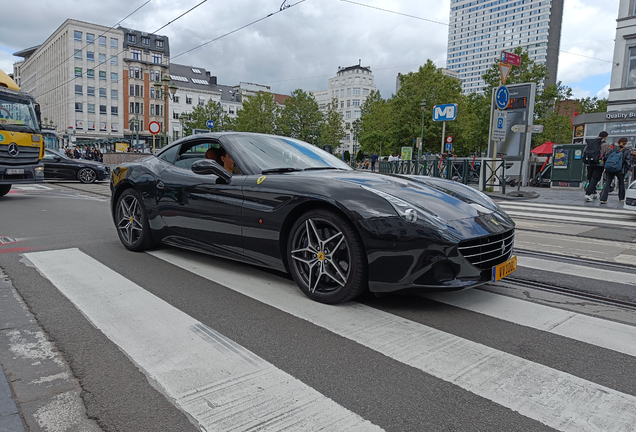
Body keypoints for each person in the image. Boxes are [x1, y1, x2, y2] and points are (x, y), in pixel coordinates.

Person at [599, 138, 633, 204]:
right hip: (620, 169)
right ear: (625, 143)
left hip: (610, 168)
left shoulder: (613, 150)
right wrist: (629, 169)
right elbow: (628, 161)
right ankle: (621, 198)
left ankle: (603, 198)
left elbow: (606, 157)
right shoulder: (626, 151)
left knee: (608, 183)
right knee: (621, 183)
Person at [583, 131, 608, 202]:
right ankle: (587, 194)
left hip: (589, 163)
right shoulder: (605, 145)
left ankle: (594, 193)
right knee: (595, 179)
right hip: (599, 164)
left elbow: (584, 152)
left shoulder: (591, 143)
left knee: (591, 179)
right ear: (605, 137)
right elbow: (607, 154)